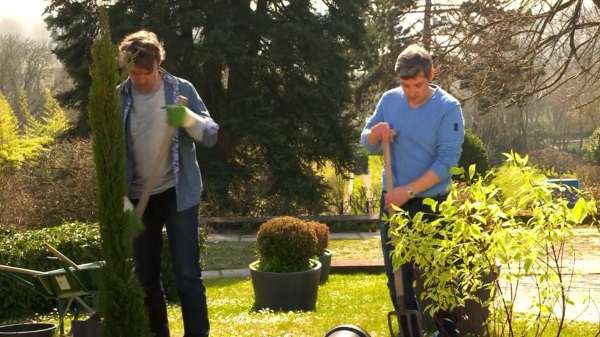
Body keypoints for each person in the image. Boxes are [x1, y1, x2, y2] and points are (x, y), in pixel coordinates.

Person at [117, 30, 219, 337]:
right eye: (133, 73)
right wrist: (123, 204)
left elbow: (212, 134)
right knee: (146, 276)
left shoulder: (180, 89)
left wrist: (188, 119)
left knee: (187, 274)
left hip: (178, 192)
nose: (139, 80)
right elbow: (110, 155)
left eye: (144, 74)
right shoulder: (118, 97)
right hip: (138, 197)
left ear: (158, 64)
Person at [361, 44, 464, 337]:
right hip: (393, 203)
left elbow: (447, 162)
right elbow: (366, 141)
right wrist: (373, 133)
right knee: (398, 278)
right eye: (405, 85)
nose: (411, 92)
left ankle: (446, 333)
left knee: (438, 276)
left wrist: (407, 191)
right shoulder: (389, 101)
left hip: (433, 204)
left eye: (418, 84)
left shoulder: (448, 107)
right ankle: (409, 331)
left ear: (431, 75)